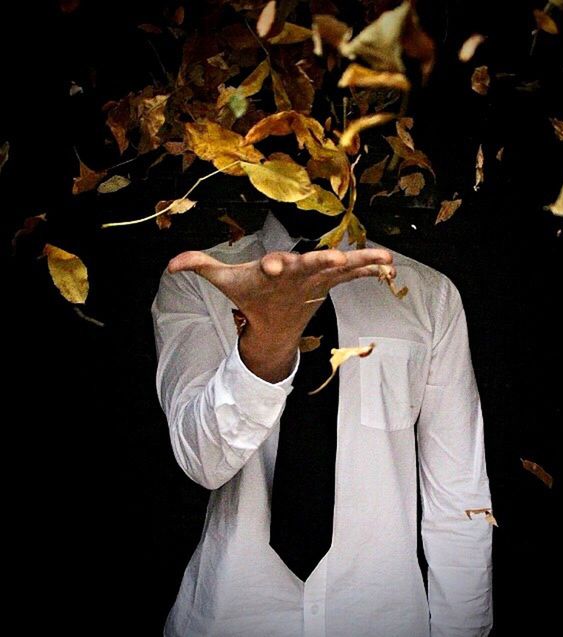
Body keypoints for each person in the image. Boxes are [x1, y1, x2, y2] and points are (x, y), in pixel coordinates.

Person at [151, 206, 493, 637]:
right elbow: (202, 461)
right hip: (231, 615)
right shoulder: (200, 279)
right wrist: (267, 341)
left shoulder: (428, 294)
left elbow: (459, 492)